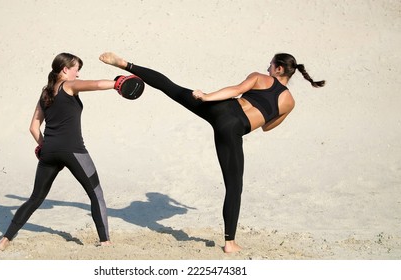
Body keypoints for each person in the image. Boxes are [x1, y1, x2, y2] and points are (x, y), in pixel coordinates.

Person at [99, 52, 325, 253]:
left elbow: (235, 91)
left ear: (278, 69)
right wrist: (264, 113)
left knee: (171, 88)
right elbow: (267, 127)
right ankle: (230, 242)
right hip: (234, 129)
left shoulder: (259, 77)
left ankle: (126, 64)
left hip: (222, 108)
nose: (267, 68)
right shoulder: (289, 102)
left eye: (270, 65)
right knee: (234, 186)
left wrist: (207, 98)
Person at [0, 53, 115, 250]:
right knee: (96, 194)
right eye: (76, 69)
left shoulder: (46, 92)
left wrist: (43, 146)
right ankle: (105, 241)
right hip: (73, 151)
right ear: (65, 69)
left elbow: (34, 127)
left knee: (35, 198)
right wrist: (119, 83)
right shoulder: (69, 86)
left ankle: (5, 239)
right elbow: (97, 84)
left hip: (49, 152)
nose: (78, 74)